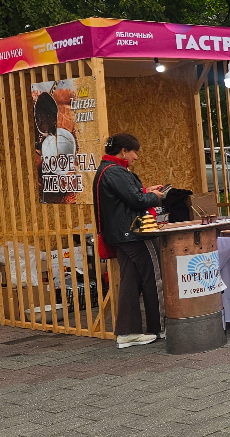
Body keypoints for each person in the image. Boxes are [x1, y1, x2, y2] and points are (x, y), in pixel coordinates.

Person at [93, 133, 167, 349]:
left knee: (130, 282)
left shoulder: (106, 170)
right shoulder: (116, 171)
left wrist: (146, 191)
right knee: (155, 277)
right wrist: (155, 196)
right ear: (124, 151)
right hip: (134, 233)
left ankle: (128, 332)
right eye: (134, 151)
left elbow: (124, 198)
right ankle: (160, 326)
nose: (136, 157)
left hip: (119, 235)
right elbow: (136, 201)